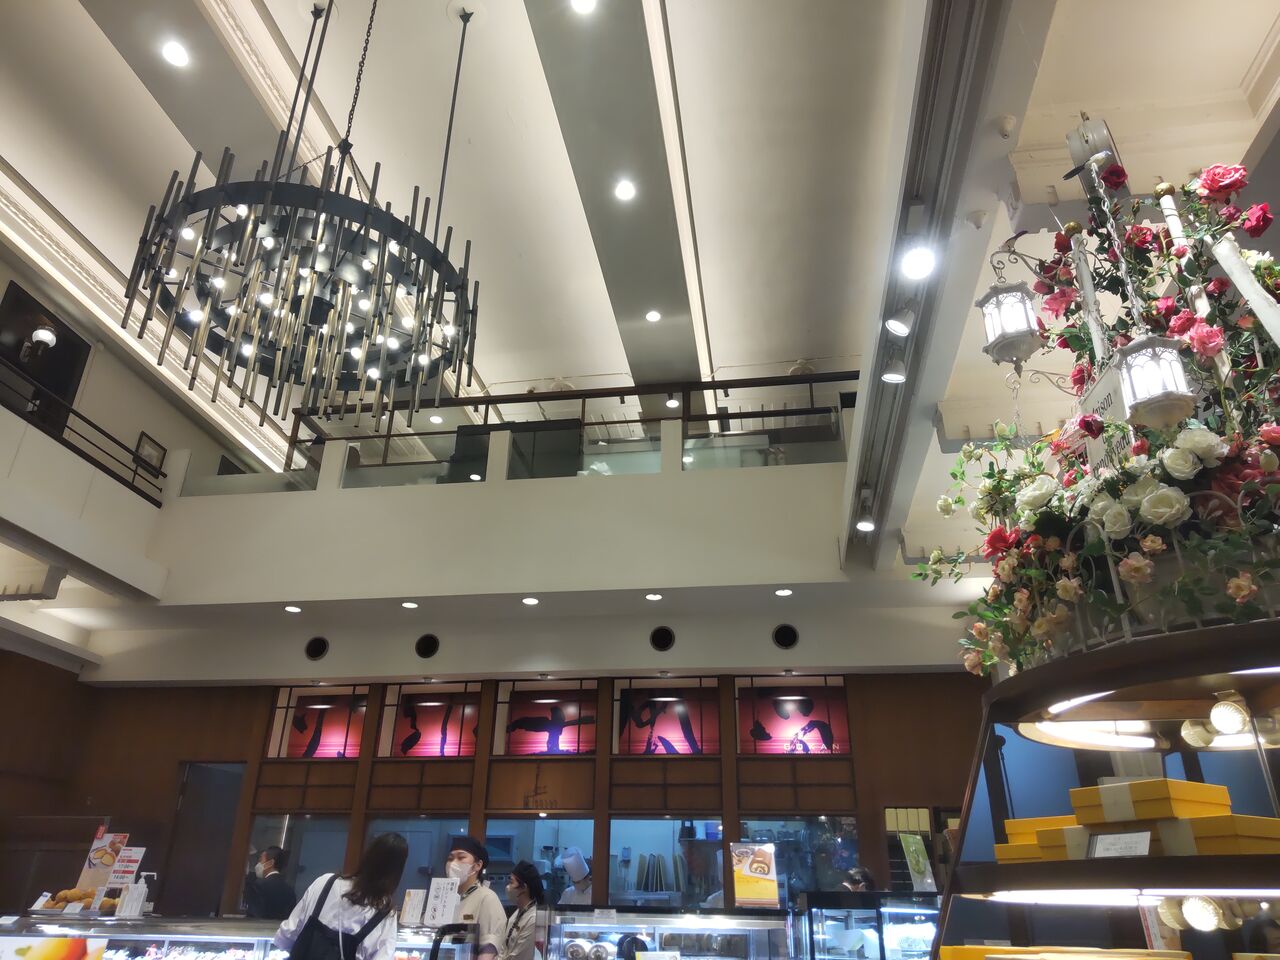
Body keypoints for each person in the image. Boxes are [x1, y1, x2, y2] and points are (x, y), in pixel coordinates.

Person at [273, 833, 407, 960]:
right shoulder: (384, 911)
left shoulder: (325, 882)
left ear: (367, 856)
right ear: (397, 872)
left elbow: (285, 936)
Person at [447, 836, 506, 960]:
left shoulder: (487, 898)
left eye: (461, 857)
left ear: (477, 865)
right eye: (450, 858)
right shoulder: (446, 898)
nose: (453, 863)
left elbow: (490, 947)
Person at [497, 861, 544, 960]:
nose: (508, 887)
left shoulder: (533, 919)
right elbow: (504, 948)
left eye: (511, 882)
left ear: (524, 888)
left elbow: (518, 956)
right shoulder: (518, 913)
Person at [245, 846, 297, 920]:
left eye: (260, 860)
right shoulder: (290, 890)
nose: (258, 864)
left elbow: (253, 917)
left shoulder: (258, 886)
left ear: (270, 863)